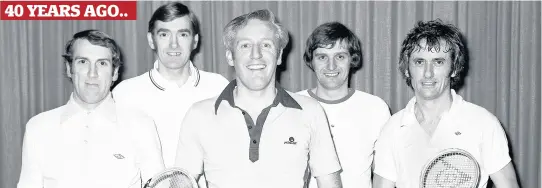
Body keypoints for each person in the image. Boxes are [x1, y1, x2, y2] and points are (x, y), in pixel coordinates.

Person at [175, 9, 342, 188]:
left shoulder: (311, 111)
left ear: (279, 56)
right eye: (245, 45)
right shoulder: (199, 115)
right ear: (230, 56)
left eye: (266, 45)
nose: (256, 54)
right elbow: (179, 185)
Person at [372, 19, 520, 188]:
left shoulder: (484, 123)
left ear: (454, 68)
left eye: (438, 62)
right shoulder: (392, 129)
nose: (428, 73)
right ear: (407, 69)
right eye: (419, 62)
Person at [17, 30, 165, 188]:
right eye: (83, 62)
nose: (92, 73)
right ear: (69, 68)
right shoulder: (38, 127)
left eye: (102, 63)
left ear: (115, 72)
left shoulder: (141, 125)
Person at [112, 2, 229, 169]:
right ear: (151, 40)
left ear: (195, 41)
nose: (174, 44)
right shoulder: (125, 93)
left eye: (182, 35)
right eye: (164, 35)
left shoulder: (218, 87)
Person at [297, 22, 391, 188]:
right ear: (311, 61)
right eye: (322, 57)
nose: (331, 66)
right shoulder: (293, 105)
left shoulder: (375, 108)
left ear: (352, 59)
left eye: (340, 56)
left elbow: (385, 174)